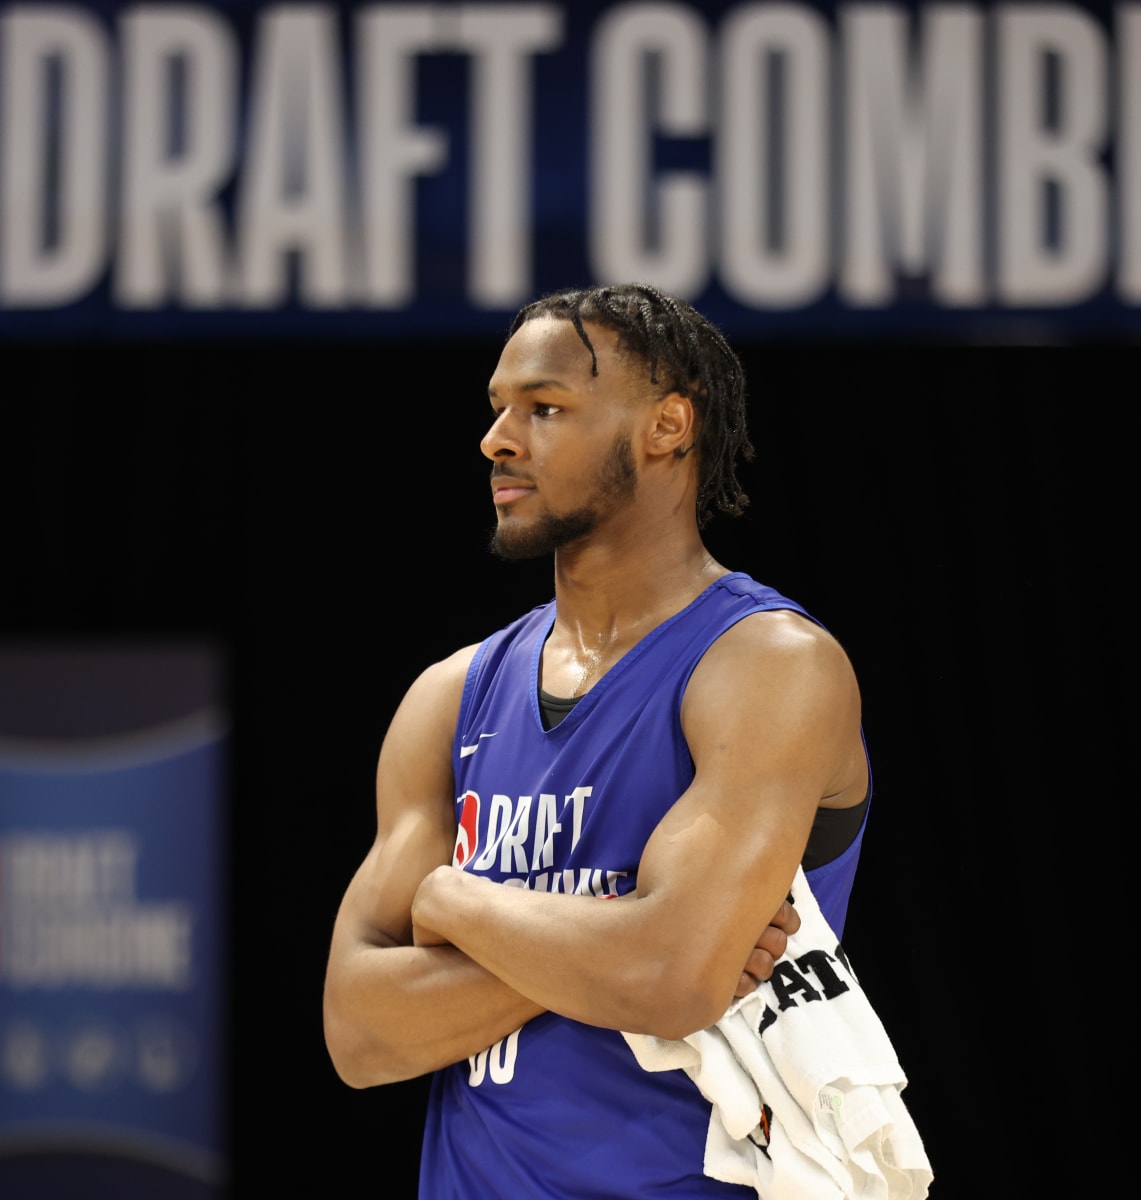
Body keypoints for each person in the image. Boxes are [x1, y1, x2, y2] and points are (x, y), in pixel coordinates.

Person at [323, 283, 871, 1198]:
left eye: (545, 409)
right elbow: (358, 1032)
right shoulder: (452, 696)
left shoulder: (770, 665)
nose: (498, 439)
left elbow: (670, 975)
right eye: (499, 410)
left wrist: (459, 903)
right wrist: (628, 939)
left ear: (666, 426)